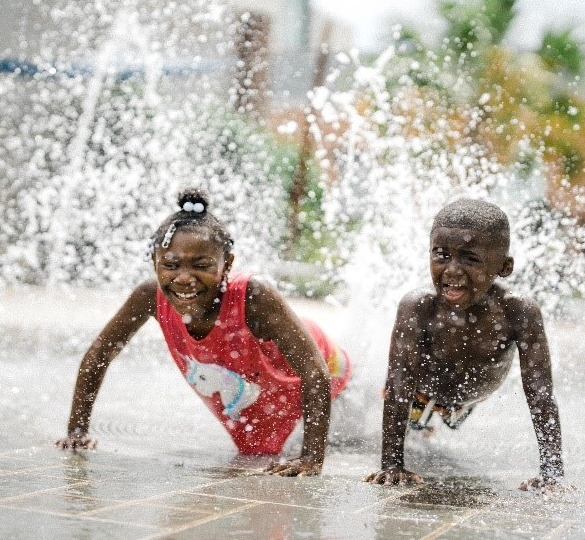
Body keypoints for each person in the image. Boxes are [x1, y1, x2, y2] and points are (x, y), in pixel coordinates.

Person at [57, 189, 351, 476]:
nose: (184, 278)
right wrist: (77, 431)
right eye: (170, 265)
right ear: (155, 263)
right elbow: (100, 353)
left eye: (202, 265)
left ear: (227, 265)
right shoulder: (151, 296)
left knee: (348, 437)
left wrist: (312, 460)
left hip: (329, 373)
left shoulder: (254, 295)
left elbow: (315, 373)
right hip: (264, 391)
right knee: (259, 451)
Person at [364, 198, 564, 491]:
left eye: (470, 259)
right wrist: (391, 465)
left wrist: (552, 475)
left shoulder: (517, 311)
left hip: (471, 396)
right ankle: (423, 420)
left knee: (450, 417)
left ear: (504, 267)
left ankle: (443, 415)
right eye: (441, 255)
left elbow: (540, 394)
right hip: (423, 389)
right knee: (413, 418)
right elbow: (398, 382)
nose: (452, 270)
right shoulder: (418, 306)